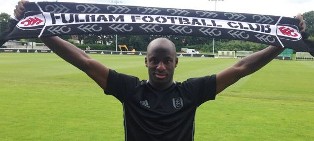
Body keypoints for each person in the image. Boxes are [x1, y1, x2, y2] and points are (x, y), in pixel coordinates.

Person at [14, 1, 307, 141]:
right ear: (146, 61)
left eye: (167, 60)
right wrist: (43, 31)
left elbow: (241, 67)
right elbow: (85, 61)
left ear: (177, 62)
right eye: (155, 60)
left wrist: (282, 40)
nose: (161, 66)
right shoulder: (130, 89)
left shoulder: (192, 92)